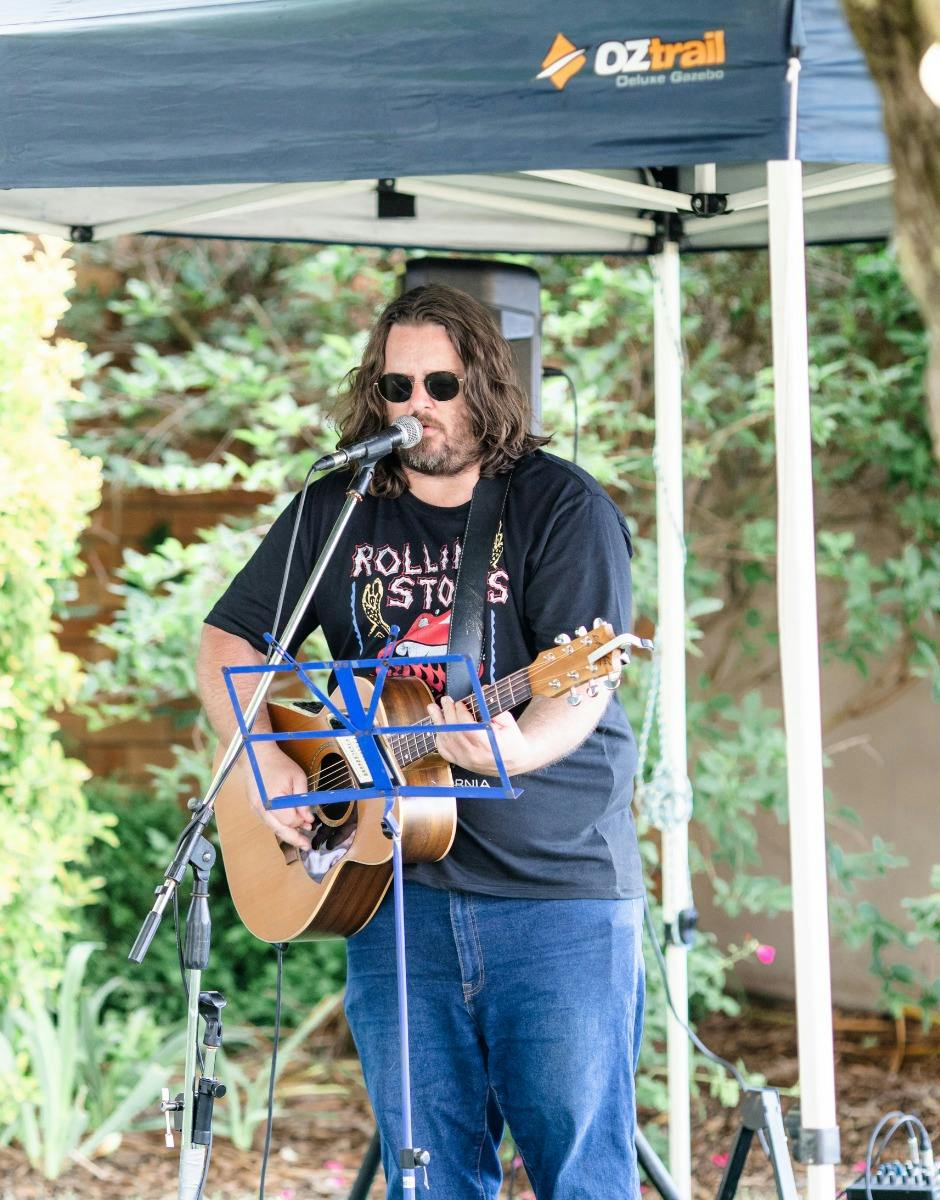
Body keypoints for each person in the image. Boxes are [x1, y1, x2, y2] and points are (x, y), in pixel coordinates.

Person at [196, 284, 644, 1199]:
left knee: (580, 1176)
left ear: (486, 384)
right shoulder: (339, 506)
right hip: (393, 889)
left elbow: (582, 686)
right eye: (396, 387)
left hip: (553, 898)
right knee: (428, 1180)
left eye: (441, 385)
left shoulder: (561, 507)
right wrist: (266, 756)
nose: (417, 406)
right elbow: (229, 640)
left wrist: (512, 751)